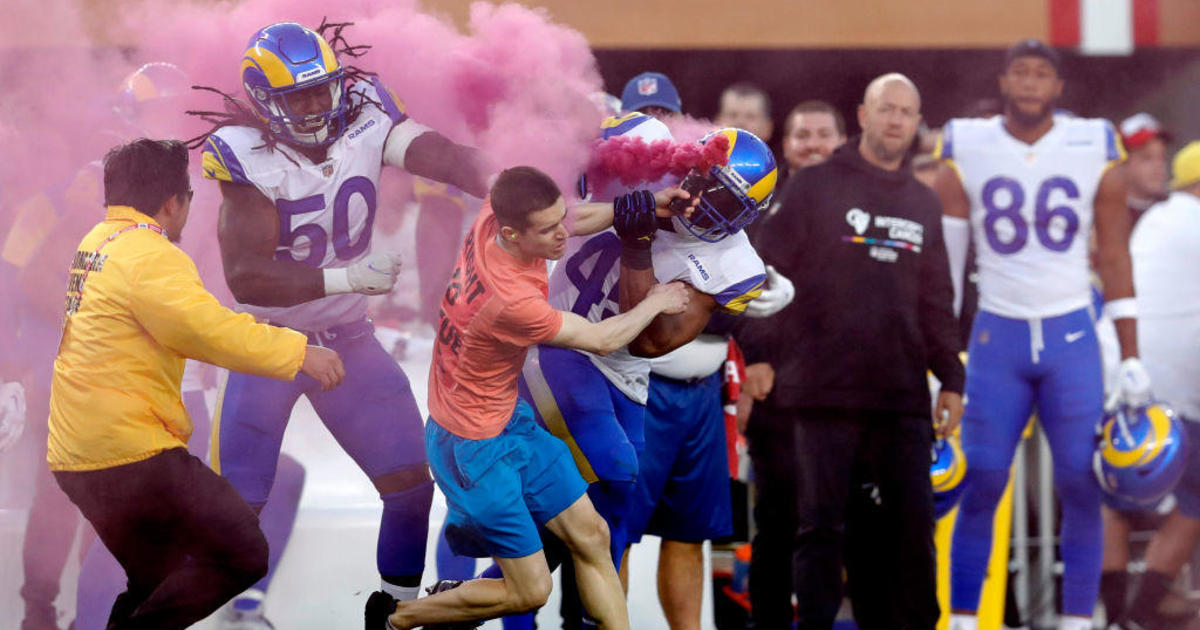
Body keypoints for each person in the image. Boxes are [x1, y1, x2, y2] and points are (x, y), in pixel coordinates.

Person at [197, 21, 488, 611]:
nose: (314, 105)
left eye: (321, 88)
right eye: (296, 95)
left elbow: (446, 159)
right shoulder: (242, 154)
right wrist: (347, 278)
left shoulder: (364, 113)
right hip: (266, 346)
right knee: (235, 516)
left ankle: (395, 614)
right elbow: (246, 275)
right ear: (262, 99)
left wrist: (516, 180)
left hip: (350, 340)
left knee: (410, 488)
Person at [364, 165, 690, 629]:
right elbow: (600, 339)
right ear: (514, 234)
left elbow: (569, 219)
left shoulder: (492, 216)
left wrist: (630, 208)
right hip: (471, 449)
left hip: (507, 420)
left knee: (593, 536)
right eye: (548, 230)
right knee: (531, 591)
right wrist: (656, 302)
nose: (564, 234)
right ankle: (396, 619)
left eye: (560, 219)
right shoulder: (510, 301)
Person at [48, 138, 343, 629]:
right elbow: (206, 331)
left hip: (78, 453)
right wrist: (298, 352)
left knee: (154, 580)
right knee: (243, 552)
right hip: (128, 453)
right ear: (173, 202)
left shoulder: (98, 241)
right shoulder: (151, 254)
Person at [931, 40, 1146, 630]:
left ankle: (1077, 620)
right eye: (1019, 72)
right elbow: (947, 263)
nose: (1030, 82)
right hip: (996, 332)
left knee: (1082, 479)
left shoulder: (1093, 142)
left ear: (1058, 86)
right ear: (1003, 81)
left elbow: (1117, 254)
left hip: (1071, 329)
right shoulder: (967, 144)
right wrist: (940, 347)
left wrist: (1131, 353)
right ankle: (967, 619)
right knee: (983, 478)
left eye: (1042, 73)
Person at [745, 73, 964, 630]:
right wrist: (761, 352)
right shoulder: (815, 185)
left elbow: (938, 298)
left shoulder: (923, 202)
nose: (895, 121)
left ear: (917, 124)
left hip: (902, 397)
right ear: (863, 115)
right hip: (820, 391)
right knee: (818, 528)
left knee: (912, 532)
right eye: (885, 109)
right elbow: (760, 273)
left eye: (906, 112)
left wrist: (952, 378)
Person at [1104, 141, 1200, 630]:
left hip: (1121, 378)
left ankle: (1115, 615)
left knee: (1113, 501)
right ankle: (1139, 616)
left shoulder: (1161, 219)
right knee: (1196, 501)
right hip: (1175, 391)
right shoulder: (1192, 222)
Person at [1097, 111, 1171, 627]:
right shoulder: (1097, 212)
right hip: (1108, 363)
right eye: (1143, 157)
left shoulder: (1177, 215)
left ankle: (1150, 607)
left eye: (1160, 157)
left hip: (1166, 366)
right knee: (1109, 488)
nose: (1156, 167)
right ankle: (1118, 612)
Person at [1118, 113, 1171, 223]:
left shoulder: (1174, 209)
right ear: (1123, 163)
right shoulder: (1108, 212)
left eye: (1162, 157)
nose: (1158, 166)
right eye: (1147, 158)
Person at [780, 100, 847, 173]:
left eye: (824, 135)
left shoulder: (860, 183)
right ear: (786, 146)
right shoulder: (768, 184)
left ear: (843, 144)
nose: (812, 145)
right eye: (802, 136)